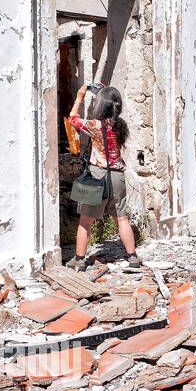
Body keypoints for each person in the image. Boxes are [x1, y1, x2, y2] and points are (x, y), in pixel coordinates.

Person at [63, 83, 137, 263]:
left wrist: (80, 96)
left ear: (100, 105)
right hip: (117, 176)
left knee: (86, 221)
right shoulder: (120, 125)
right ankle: (133, 257)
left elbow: (72, 119)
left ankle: (79, 260)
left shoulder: (94, 126)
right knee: (121, 218)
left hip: (97, 175)